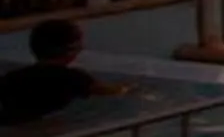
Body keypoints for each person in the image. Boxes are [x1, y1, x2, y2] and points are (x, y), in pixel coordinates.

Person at [0, 19, 129, 125]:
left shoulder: (12, 77)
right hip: (49, 129)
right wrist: (127, 88)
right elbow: (112, 92)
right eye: (79, 45)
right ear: (70, 49)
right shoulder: (72, 78)